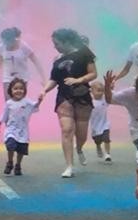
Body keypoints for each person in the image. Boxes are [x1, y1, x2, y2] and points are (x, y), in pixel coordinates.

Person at [42, 28, 97, 178]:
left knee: (81, 134)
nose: (55, 47)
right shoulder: (57, 60)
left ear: (66, 42)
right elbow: (53, 79)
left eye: (57, 43)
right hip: (64, 97)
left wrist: (78, 80)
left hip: (82, 96)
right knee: (66, 130)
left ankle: (79, 148)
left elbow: (93, 73)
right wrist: (44, 91)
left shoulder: (84, 53)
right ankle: (69, 166)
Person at [0, 27, 44, 98]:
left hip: (22, 78)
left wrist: (44, 78)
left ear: (13, 39)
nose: (5, 43)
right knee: (9, 103)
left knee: (20, 102)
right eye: (3, 41)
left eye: (7, 41)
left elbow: (36, 62)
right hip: (8, 78)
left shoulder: (23, 46)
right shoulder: (1, 47)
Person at [0, 78, 42, 176]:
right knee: (10, 145)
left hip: (23, 131)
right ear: (11, 91)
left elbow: (35, 106)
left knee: (21, 149)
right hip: (11, 129)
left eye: (21, 88)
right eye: (15, 88)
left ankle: (18, 165)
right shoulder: (9, 103)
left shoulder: (27, 102)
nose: (18, 91)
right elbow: (4, 115)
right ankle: (10, 162)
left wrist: (39, 100)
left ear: (25, 90)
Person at [88, 80, 112, 162]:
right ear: (92, 91)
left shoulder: (104, 100)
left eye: (102, 90)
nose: (100, 93)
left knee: (106, 138)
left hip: (105, 124)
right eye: (98, 90)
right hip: (95, 127)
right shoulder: (89, 101)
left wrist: (109, 87)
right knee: (97, 140)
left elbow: (110, 94)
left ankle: (107, 154)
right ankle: (98, 146)